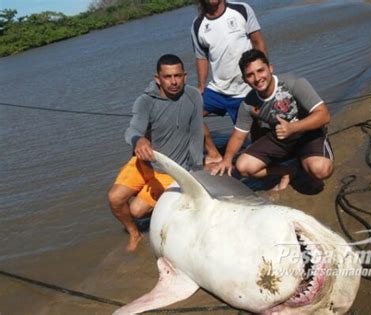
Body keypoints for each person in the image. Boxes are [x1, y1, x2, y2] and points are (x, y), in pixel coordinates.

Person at [108, 54, 204, 252]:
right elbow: (132, 130)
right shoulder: (144, 102)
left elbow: (196, 133)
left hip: (168, 169)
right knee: (114, 198)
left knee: (136, 210)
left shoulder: (193, 96)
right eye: (167, 77)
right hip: (143, 162)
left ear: (185, 76)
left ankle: (160, 213)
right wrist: (139, 139)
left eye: (178, 76)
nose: (174, 81)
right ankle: (134, 233)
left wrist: (197, 169)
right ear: (157, 78)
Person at [211, 49, 334, 191]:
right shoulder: (248, 103)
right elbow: (238, 136)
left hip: (309, 134)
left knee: (321, 171)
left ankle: (305, 160)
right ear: (245, 80)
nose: (257, 78)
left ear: (270, 68)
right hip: (281, 138)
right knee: (243, 166)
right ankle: (287, 171)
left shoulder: (294, 83)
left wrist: (293, 128)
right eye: (250, 75)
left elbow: (324, 115)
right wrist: (226, 160)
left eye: (260, 70)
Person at [191, 0, 267, 164]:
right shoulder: (198, 24)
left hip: (245, 89)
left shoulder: (241, 9)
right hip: (217, 89)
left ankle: (262, 158)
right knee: (190, 113)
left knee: (255, 131)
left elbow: (257, 41)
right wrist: (201, 85)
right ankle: (213, 153)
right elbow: (201, 57)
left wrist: (263, 73)